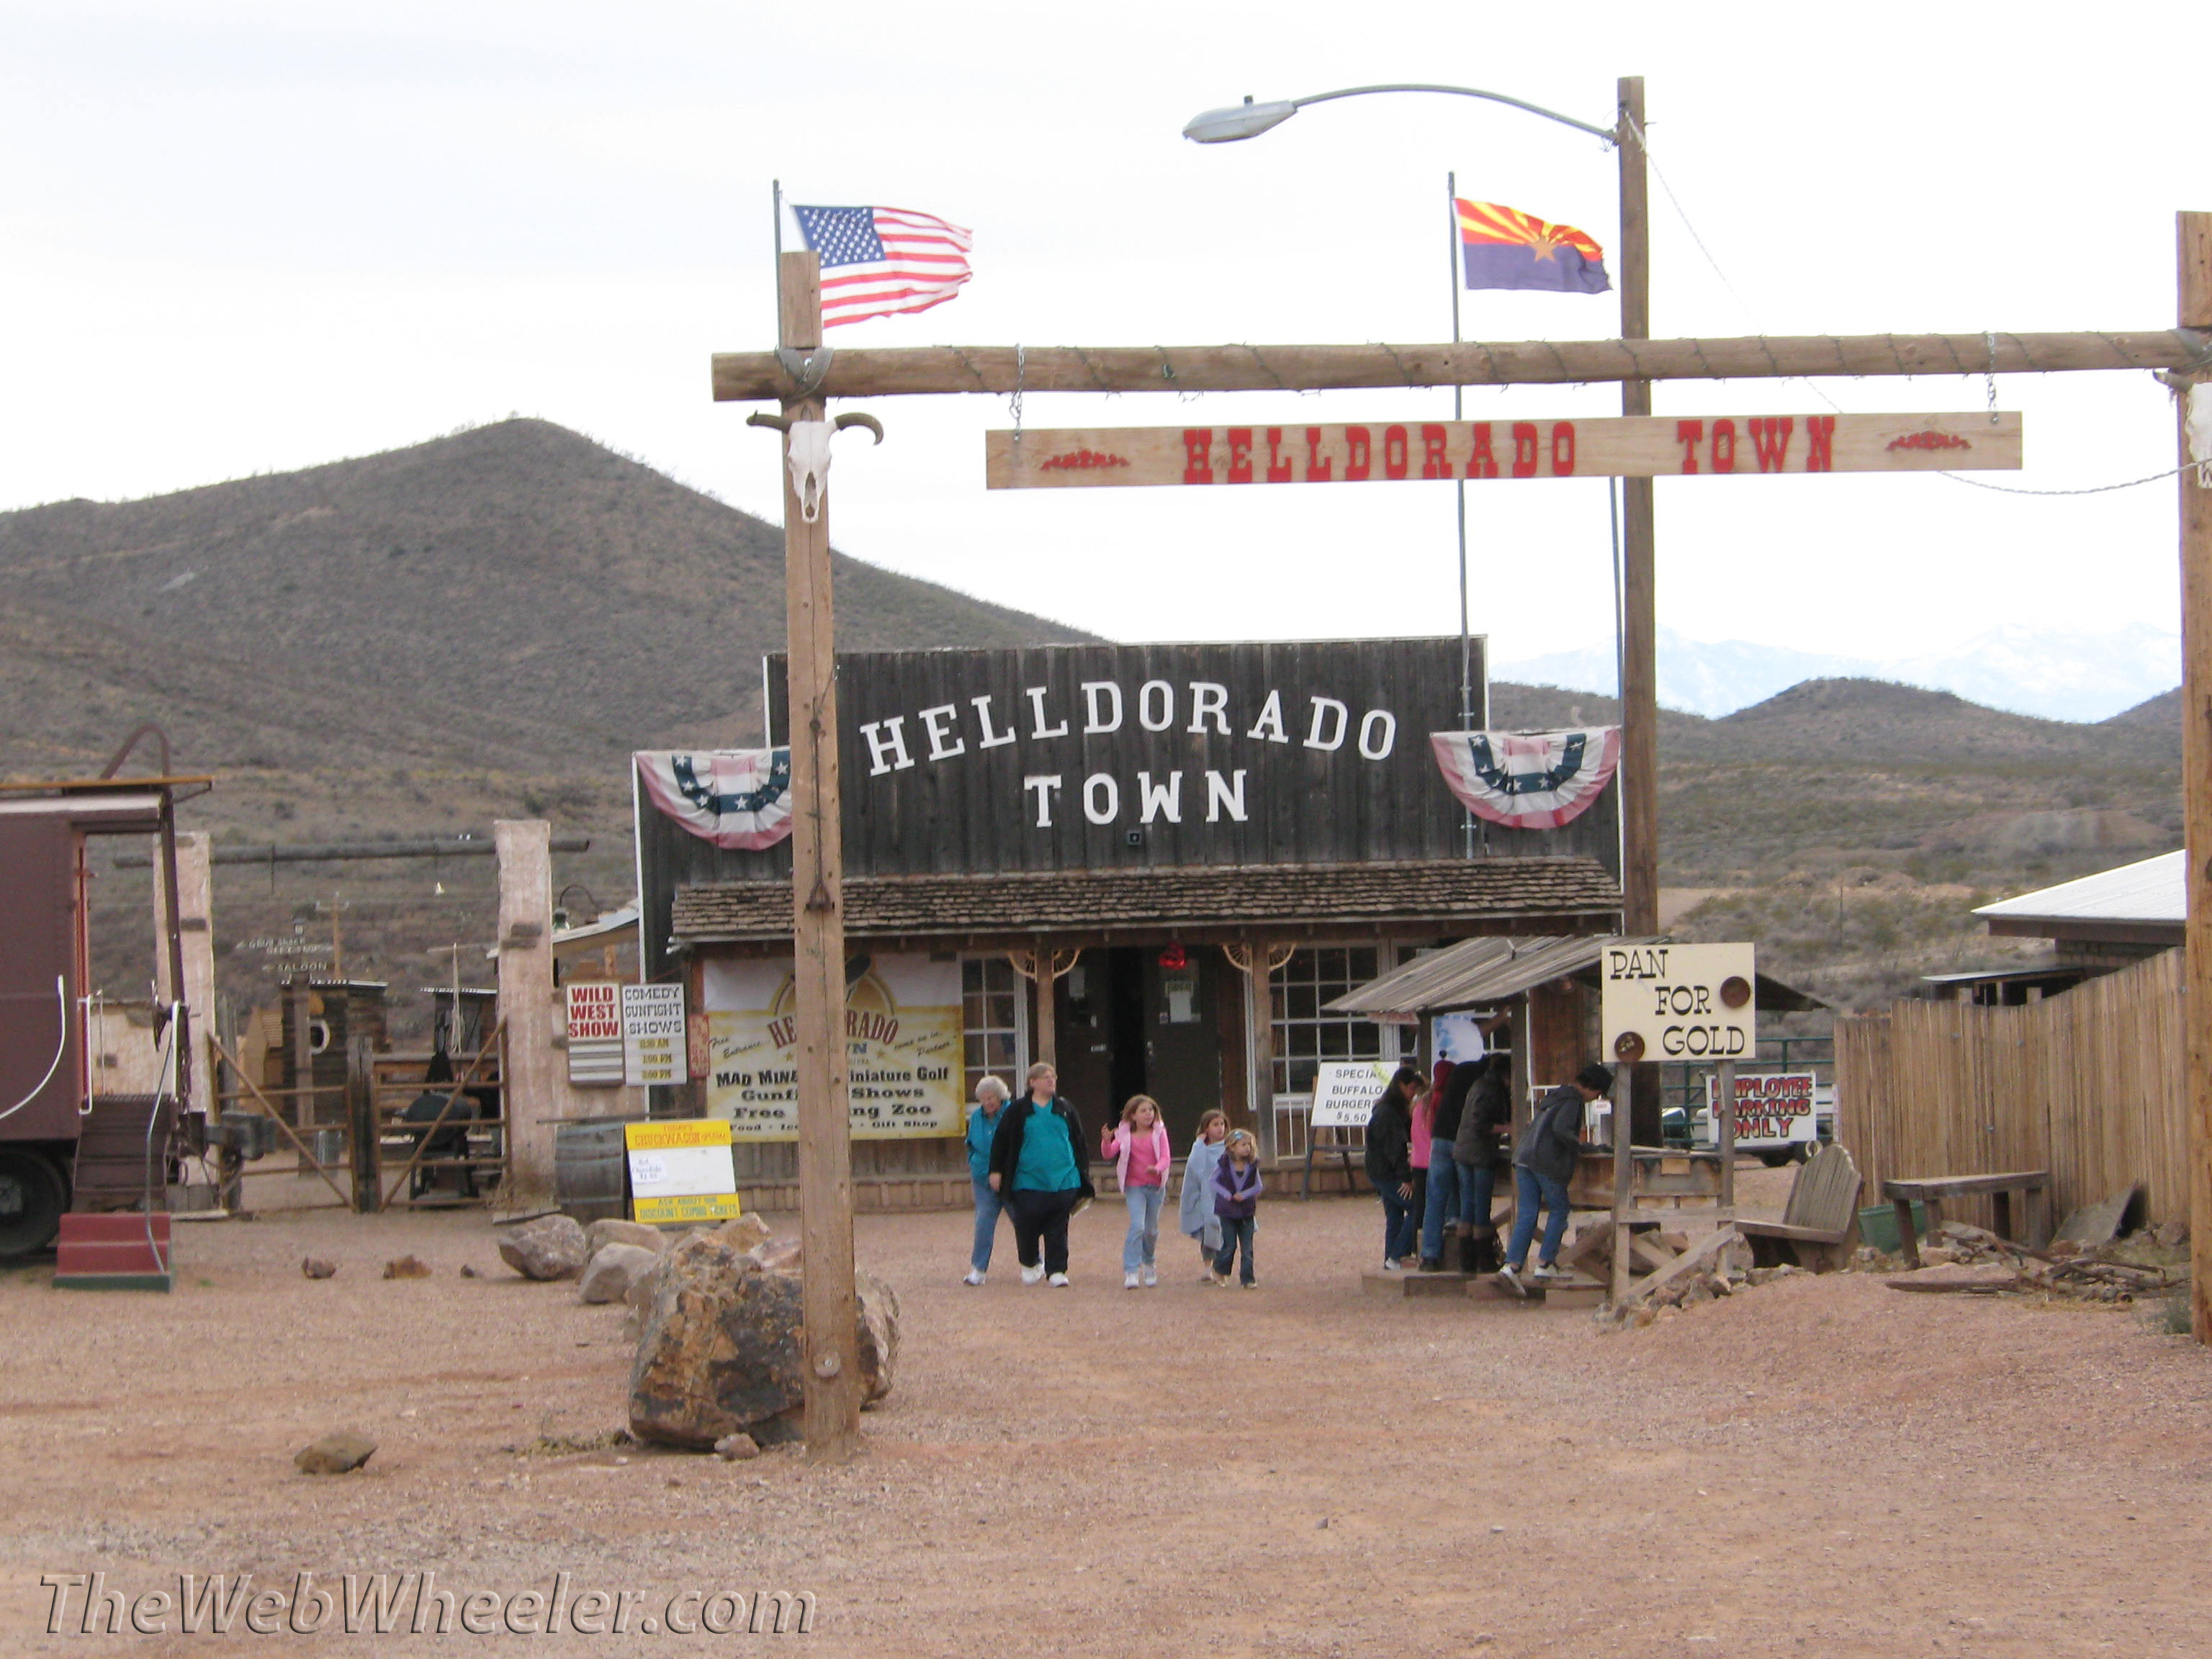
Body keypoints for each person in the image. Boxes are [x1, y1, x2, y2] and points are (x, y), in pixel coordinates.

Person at [1497, 1063, 1612, 1296]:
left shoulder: (1555, 1097)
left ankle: (1512, 1266)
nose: (1595, 1099)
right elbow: (1561, 1130)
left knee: (1527, 1213)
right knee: (1559, 1210)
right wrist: (1581, 1147)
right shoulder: (1573, 1101)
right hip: (1546, 1162)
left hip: (1524, 1159)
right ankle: (1545, 1263)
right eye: (1598, 1094)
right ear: (1592, 1088)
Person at [988, 1061, 1094, 1287]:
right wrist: (996, 1171)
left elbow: (1079, 1140)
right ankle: (1029, 1263)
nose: (1051, 1080)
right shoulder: (1018, 1110)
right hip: (1028, 1179)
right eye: (1046, 1077)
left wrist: (1083, 1171)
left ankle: (1057, 1270)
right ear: (1032, 1082)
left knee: (1058, 1226)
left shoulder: (1065, 1108)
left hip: (1064, 1177)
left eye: (1053, 1077)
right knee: (1027, 1223)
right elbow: (1001, 1142)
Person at [1452, 1054, 1515, 1274]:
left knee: (1467, 1205)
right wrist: (1508, 1128)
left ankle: (1466, 1260)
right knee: (1480, 1205)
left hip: (1463, 1149)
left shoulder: (1480, 1084)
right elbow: (1480, 1124)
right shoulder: (1492, 1089)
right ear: (1507, 1074)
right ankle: (1484, 1258)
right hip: (1480, 1152)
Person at [1102, 1094, 1172, 1289]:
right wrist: (1106, 1141)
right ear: (1133, 1115)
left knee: (1151, 1230)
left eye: (1151, 1110)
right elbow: (1109, 1153)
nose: (1148, 1114)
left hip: (1156, 1187)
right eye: (1143, 1111)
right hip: (1135, 1187)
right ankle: (1131, 1270)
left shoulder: (1159, 1132)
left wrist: (1157, 1168)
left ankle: (1149, 1262)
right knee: (1137, 1226)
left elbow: (1166, 1157)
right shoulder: (1124, 1134)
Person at [1419, 1054, 1481, 1271]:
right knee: (1468, 1194)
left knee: (1435, 1199)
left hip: (1439, 1138)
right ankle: (1467, 1254)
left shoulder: (1440, 1092)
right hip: (1461, 1140)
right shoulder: (1480, 1082)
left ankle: (1429, 1255)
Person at [1362, 1066, 1424, 1269]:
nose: (1413, 1093)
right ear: (1401, 1086)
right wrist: (1406, 1178)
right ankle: (1396, 1257)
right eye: (1412, 1088)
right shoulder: (1389, 1114)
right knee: (1416, 1207)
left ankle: (1391, 1260)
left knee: (1395, 1215)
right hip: (1387, 1172)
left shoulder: (1388, 1109)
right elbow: (1395, 1150)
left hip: (1380, 1170)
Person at [962, 1074, 1010, 1285]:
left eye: (992, 1097)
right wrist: (974, 1164)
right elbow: (971, 1144)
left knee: (1023, 1222)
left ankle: (1034, 1262)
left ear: (1000, 1097)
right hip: (982, 1178)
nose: (988, 1102)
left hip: (1011, 1179)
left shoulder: (1012, 1114)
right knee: (983, 1222)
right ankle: (978, 1269)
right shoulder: (976, 1117)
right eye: (984, 1098)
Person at [1210, 1128, 1264, 1287]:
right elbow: (1213, 1181)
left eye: (1249, 1145)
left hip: (1246, 1211)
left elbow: (1258, 1186)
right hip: (1227, 1211)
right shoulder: (1224, 1164)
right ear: (1232, 1147)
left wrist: (1245, 1195)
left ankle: (1248, 1279)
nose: (1247, 1148)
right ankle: (1220, 1270)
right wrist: (1226, 1194)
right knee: (1230, 1244)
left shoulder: (1252, 1165)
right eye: (1243, 1145)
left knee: (1247, 1248)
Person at [1178, 1109, 1228, 1278]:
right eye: (1215, 1125)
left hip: (1224, 1197)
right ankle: (1208, 1267)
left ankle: (1221, 1268)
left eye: (1222, 1124)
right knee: (1209, 1230)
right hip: (1206, 1197)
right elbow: (1195, 1167)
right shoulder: (1200, 1148)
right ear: (1206, 1128)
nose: (1220, 1128)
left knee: (1224, 1231)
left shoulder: (1229, 1147)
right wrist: (1199, 1145)